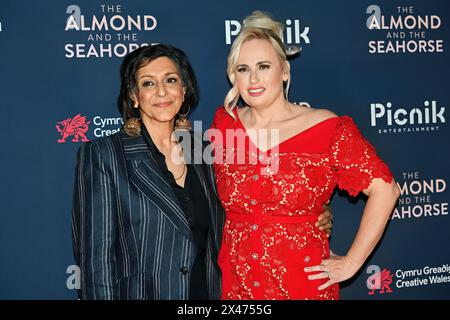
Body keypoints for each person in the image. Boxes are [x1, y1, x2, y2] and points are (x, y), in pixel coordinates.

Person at [71, 43, 336, 299]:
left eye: (171, 80)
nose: (161, 92)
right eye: (148, 83)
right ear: (134, 96)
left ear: (184, 90)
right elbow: (96, 259)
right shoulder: (105, 154)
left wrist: (314, 211)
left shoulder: (207, 150)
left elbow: (252, 196)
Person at [210, 11, 400, 300]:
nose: (253, 79)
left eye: (263, 66)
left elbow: (386, 190)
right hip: (237, 283)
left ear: (284, 70)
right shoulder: (225, 125)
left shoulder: (325, 127)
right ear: (232, 75)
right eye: (242, 68)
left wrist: (351, 263)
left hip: (303, 282)